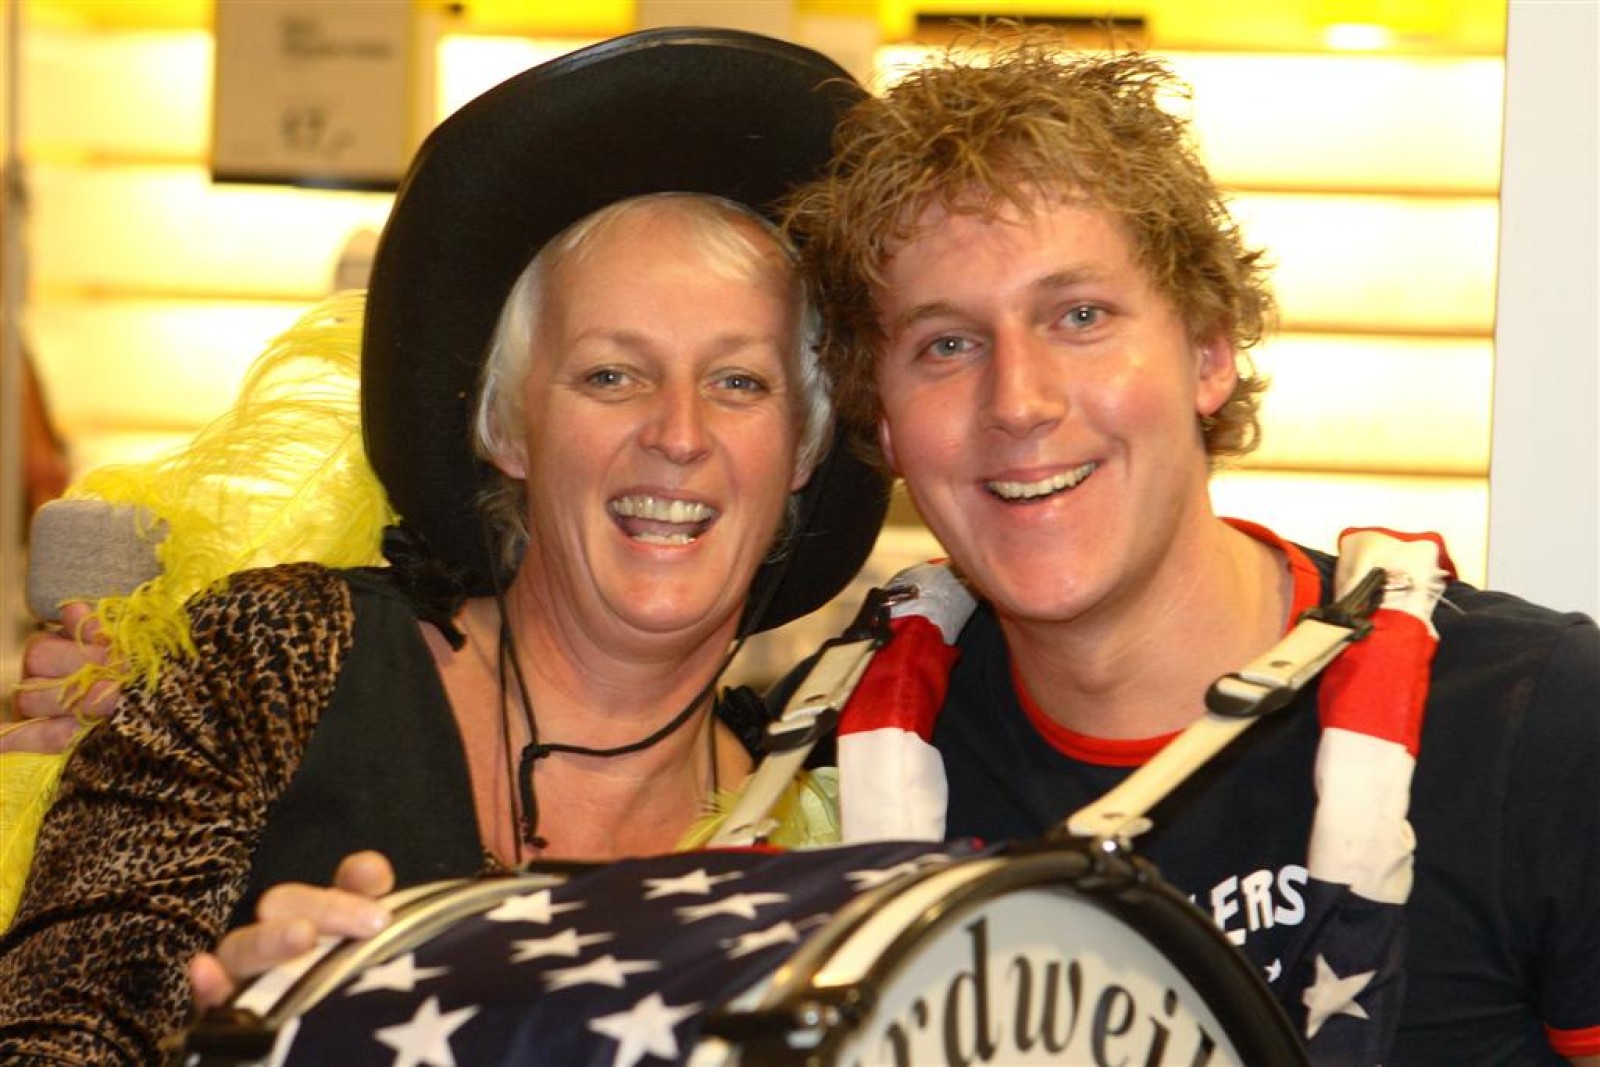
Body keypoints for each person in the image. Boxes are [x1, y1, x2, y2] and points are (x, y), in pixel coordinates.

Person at [0, 29, 885, 1063]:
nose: (679, 433)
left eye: (739, 381)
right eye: (611, 375)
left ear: (803, 447)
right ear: (506, 428)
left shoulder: (823, 816)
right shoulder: (276, 664)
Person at [780, 29, 1600, 1067]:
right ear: (887, 424)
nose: (1018, 401)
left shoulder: (1538, 721)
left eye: (1079, 315)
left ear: (1209, 351)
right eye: (947, 343)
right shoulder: (824, 754)